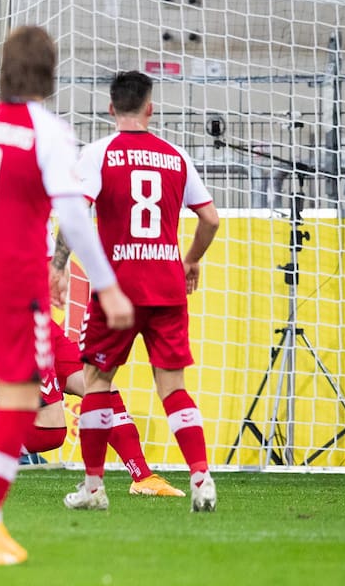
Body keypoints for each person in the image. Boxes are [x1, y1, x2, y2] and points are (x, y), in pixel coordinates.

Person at [0, 25, 133, 566]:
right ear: (49, 74)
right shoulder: (47, 131)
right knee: (23, 403)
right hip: (15, 280)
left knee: (15, 398)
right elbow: (73, 215)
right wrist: (108, 286)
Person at [51, 70, 221, 513]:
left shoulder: (98, 153)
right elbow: (210, 219)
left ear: (111, 108)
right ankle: (201, 477)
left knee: (97, 381)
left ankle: (93, 488)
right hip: (167, 285)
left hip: (118, 288)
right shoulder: (176, 155)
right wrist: (191, 259)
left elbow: (74, 214)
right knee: (173, 387)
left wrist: (58, 264)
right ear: (150, 108)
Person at [0, 260, 183, 497]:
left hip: (44, 326)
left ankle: (143, 478)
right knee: (52, 432)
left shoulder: (39, 223)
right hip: (17, 333)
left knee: (103, 389)